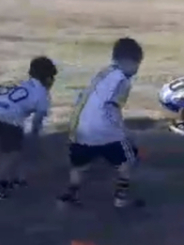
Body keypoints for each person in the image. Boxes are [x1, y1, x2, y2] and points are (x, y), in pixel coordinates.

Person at [58, 37, 145, 208]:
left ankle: (71, 194)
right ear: (129, 61)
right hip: (105, 131)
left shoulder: (103, 73)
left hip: (81, 129)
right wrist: (124, 131)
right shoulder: (122, 81)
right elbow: (112, 107)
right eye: (137, 64)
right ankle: (121, 198)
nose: (137, 69)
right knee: (126, 162)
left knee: (79, 166)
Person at [0, 56, 58, 200]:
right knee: (13, 153)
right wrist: (35, 136)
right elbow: (37, 120)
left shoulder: (23, 83)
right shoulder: (43, 95)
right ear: (48, 79)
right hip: (7, 117)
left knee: (11, 149)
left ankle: (9, 179)